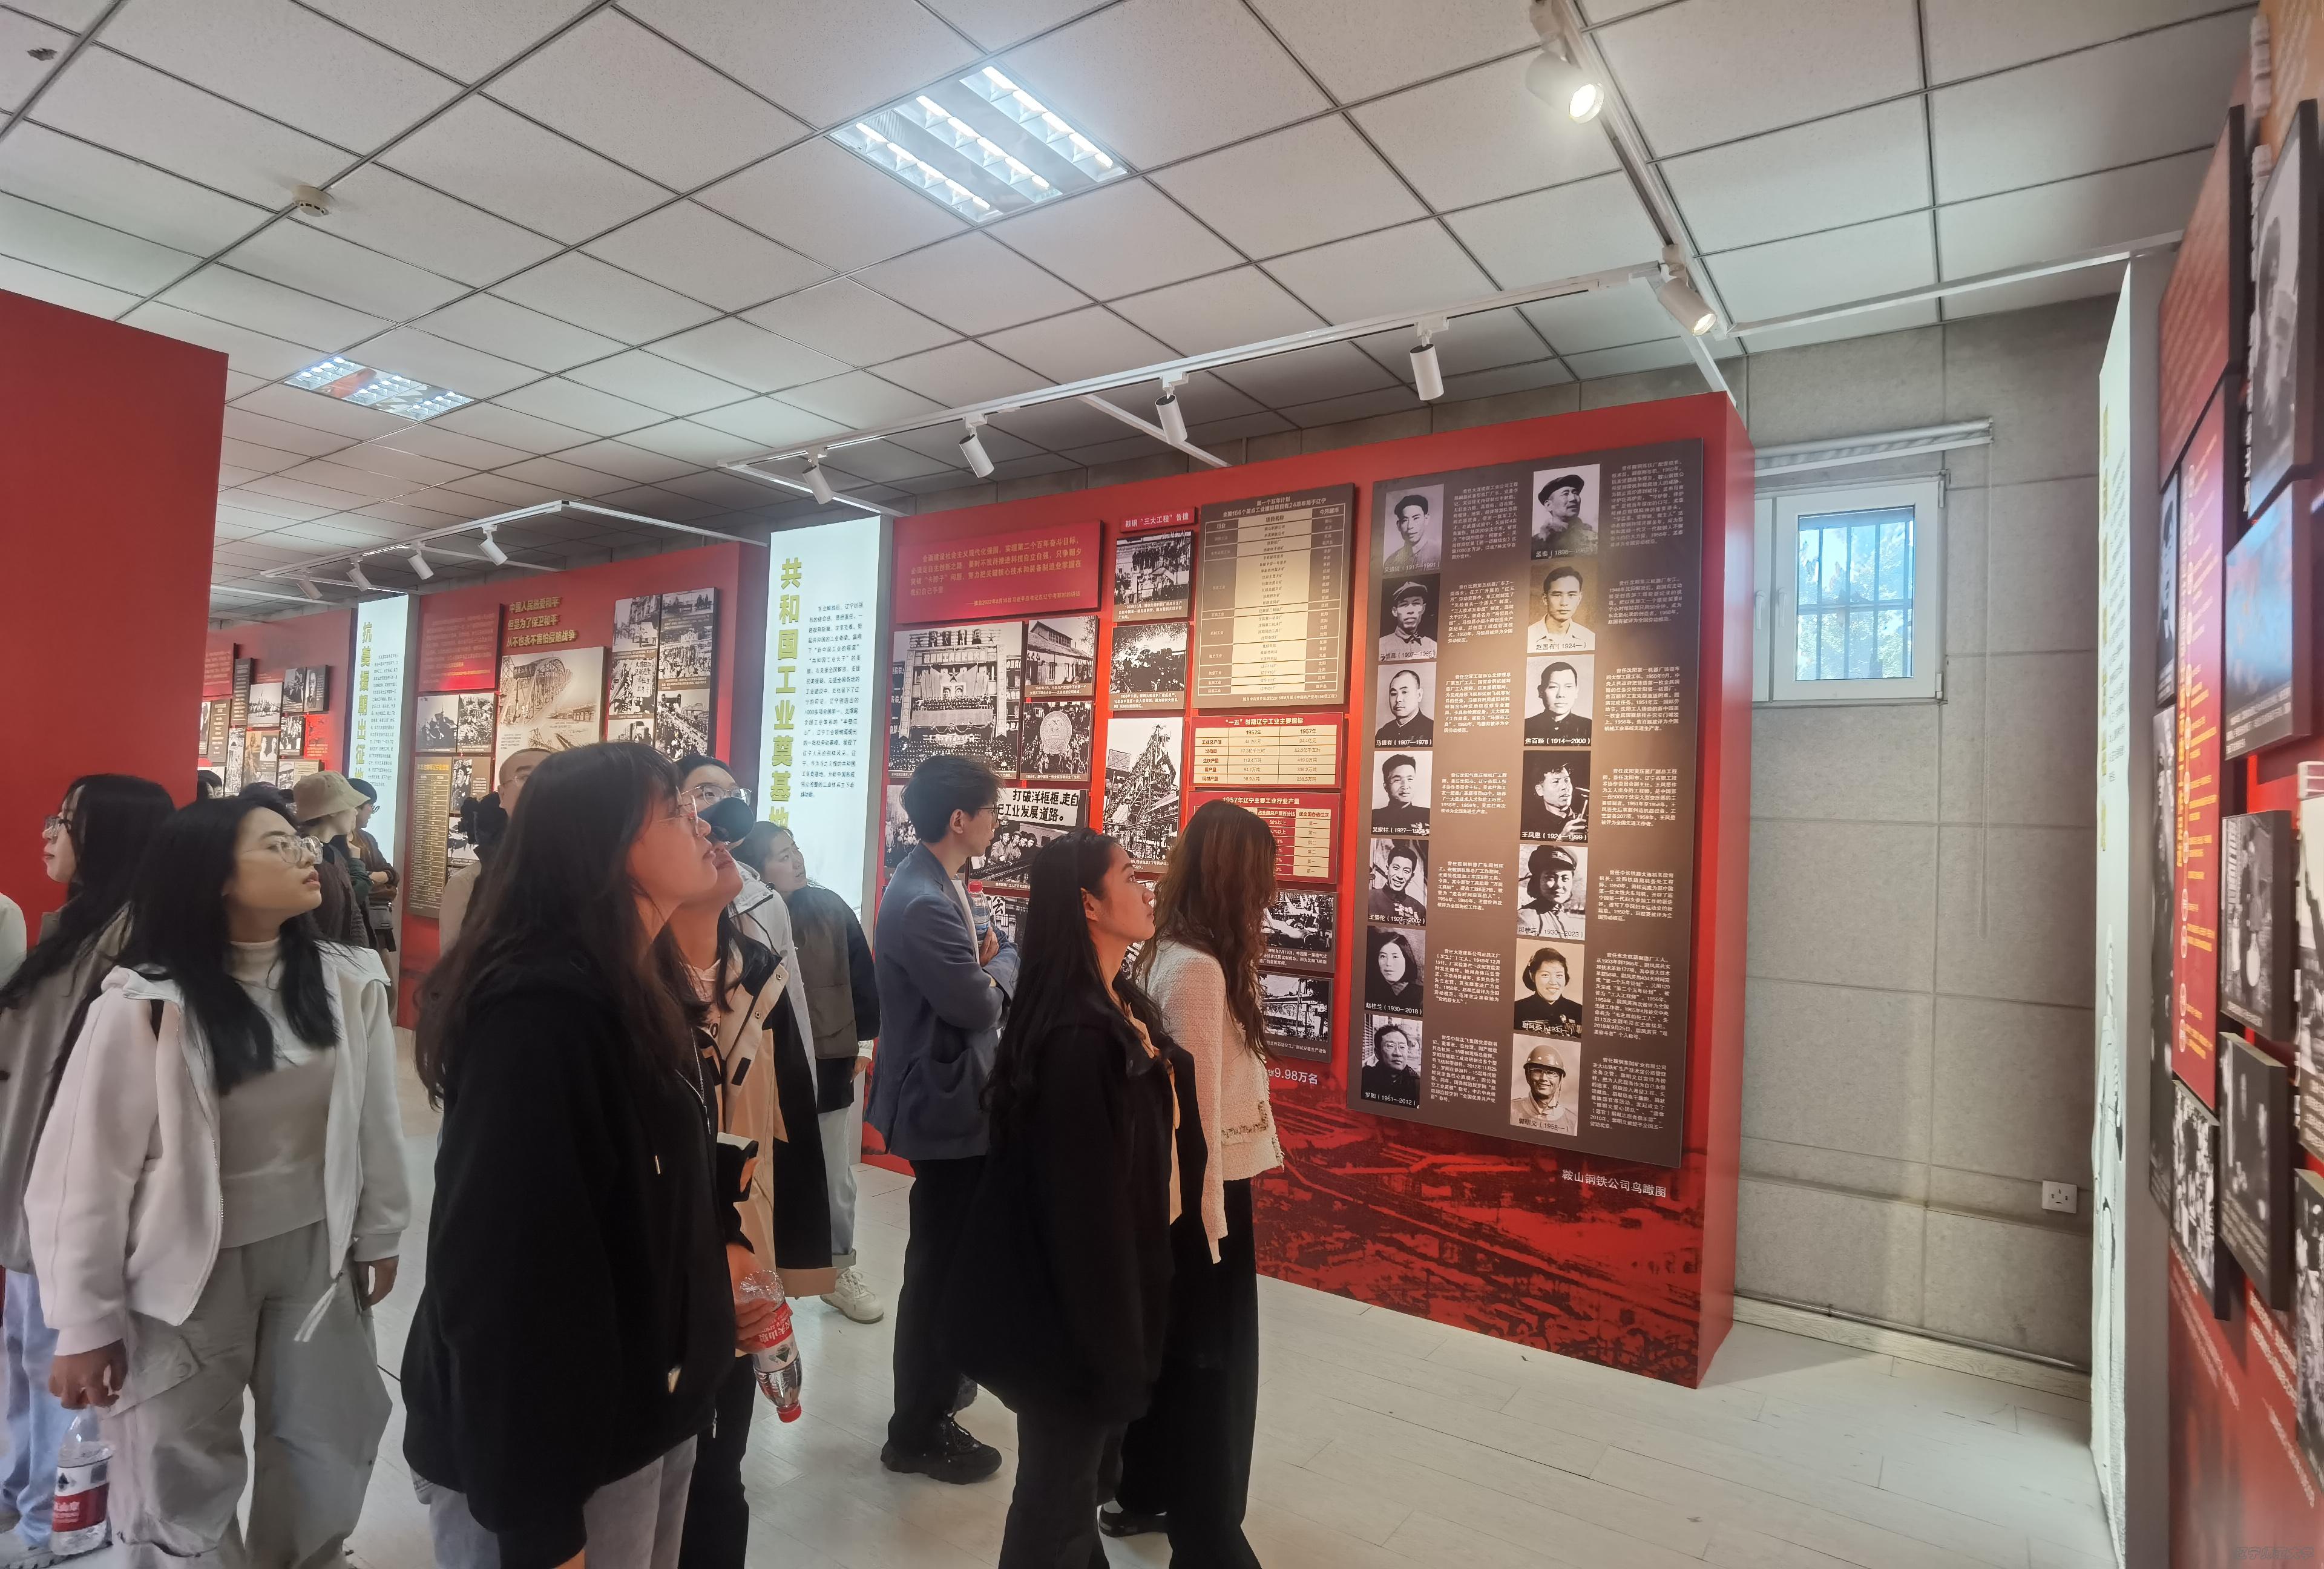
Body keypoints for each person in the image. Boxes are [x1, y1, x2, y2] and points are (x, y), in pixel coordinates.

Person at [28, 794, 407, 1568]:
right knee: (176, 1454)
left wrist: (380, 1228)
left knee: (326, 1436)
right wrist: (84, 1321)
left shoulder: (345, 980)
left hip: (314, 1254)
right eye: (277, 846)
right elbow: (85, 1170)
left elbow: (374, 1118)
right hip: (183, 1272)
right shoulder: (146, 1000)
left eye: (300, 842)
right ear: (215, 876)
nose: (306, 857)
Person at [402, 743, 735, 1567]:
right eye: (676, 811)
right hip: (555, 1453)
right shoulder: (540, 1019)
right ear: (609, 845)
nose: (703, 824)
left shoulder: (637, 984)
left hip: (643, 1409)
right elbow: (505, 1275)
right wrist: (541, 1522)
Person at [944, 830, 1201, 1569]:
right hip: (1073, 1313)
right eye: (1129, 875)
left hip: (1104, 1294)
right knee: (1057, 1498)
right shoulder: (1079, 1036)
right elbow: (1079, 1210)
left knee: (1075, 1487)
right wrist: (1110, 1335)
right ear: (1089, 903)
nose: (1147, 887)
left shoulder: (1115, 1005)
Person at [0, 775, 172, 1563]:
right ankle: (19, 1493)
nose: (48, 833)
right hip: (29, 1173)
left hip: (65, 1185)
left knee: (55, 1358)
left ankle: (52, 1525)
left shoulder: (131, 944)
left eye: (65, 821)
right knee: (23, 1347)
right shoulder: (74, 926)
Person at [1109, 801, 1285, 1562]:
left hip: (1190, 1196)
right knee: (1211, 1370)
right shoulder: (1198, 969)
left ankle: (1146, 1491)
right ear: (1235, 877)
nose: (1270, 892)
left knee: (1180, 1357)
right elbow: (1196, 1122)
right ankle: (1205, 1531)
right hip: (1204, 1200)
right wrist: (1208, 1229)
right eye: (1262, 875)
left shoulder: (1177, 951)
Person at [666, 828, 832, 1569]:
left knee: (719, 1472)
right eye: (677, 814)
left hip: (744, 1258)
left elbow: (788, 1121)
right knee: (658, 1476)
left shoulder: (756, 969)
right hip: (665, 1276)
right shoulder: (618, 989)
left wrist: (789, 1264)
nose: (708, 830)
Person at [867, 755, 1020, 1483]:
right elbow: (977, 1004)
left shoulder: (937, 882)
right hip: (944, 1101)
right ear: (960, 819)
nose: (996, 823)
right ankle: (918, 1428)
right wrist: (1003, 962)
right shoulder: (923, 900)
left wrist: (986, 964)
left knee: (949, 1262)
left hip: (955, 1095)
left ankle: (936, 1405)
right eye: (990, 811)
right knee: (937, 1269)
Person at [746, 821, 886, 1327]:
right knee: (756, 1174)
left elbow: (864, 981)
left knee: (834, 1176)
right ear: (757, 869)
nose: (797, 861)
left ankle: (839, 1269)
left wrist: (863, 1043)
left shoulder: (829, 908)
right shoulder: (741, 916)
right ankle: (760, 1277)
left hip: (827, 1063)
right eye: (782, 856)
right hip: (759, 1067)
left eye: (796, 850)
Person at [686, 758, 816, 1084]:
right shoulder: (661, 901)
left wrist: (802, 1089)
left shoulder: (764, 901)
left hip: (755, 1081)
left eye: (734, 794)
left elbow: (791, 1006)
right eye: (708, 793)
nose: (726, 805)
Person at [435, 747, 546, 946]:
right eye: (526, 778)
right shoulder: (470, 883)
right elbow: (456, 958)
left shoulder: (590, 869)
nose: (542, 786)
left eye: (554, 776)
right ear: (502, 795)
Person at [292, 772, 375, 951]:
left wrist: (358, 958)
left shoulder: (334, 854)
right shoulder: (300, 856)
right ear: (333, 811)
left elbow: (353, 914)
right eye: (351, 805)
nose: (355, 812)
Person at [344, 778, 398, 956]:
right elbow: (350, 890)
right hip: (349, 930)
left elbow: (392, 874)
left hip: (376, 928)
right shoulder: (332, 844)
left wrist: (370, 878)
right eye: (371, 807)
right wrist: (377, 882)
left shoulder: (367, 839)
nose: (371, 813)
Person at [1517, 844, 1584, 939]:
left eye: (1565, 879)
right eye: (1550, 878)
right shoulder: (1526, 918)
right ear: (1538, 881)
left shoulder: (1565, 918)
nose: (1559, 885)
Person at [1515, 945, 1583, 1038]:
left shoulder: (1579, 1011)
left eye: (1559, 975)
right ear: (1533, 977)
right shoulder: (1517, 1010)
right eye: (1545, 975)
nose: (1553, 982)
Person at [1510, 1042, 1576, 1133]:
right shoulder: (1511, 1110)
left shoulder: (1572, 1122)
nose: (1544, 1078)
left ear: (1560, 1079)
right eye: (1537, 1071)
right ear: (1528, 1075)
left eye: (1551, 1073)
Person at [1523, 754, 1589, 842]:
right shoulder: (1529, 827)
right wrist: (1561, 840)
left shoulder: (1587, 820)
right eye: (1556, 782)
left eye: (1567, 780)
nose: (1565, 787)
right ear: (1540, 790)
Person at [1524, 660, 1591, 745]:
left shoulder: (1589, 727)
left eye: (1568, 687)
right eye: (1553, 687)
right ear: (1541, 691)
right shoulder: (1526, 726)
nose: (1561, 695)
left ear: (1576, 691)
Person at [1528, 565, 1595, 651]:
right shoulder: (1528, 636)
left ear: (1579, 598)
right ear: (1545, 599)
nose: (1564, 603)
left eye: (1571, 595)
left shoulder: (1590, 638)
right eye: (1557, 595)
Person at [1532, 473, 1594, 556]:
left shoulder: (1593, 539)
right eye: (1565, 494)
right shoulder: (1535, 544)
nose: (1573, 499)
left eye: (1576, 493)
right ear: (1549, 505)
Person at [1361, 1022, 1419, 1106]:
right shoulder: (1364, 1078)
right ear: (1377, 1053)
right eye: (1390, 1046)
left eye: (1402, 1047)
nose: (1398, 1053)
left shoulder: (1417, 1085)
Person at [1368, 840, 1426, 924]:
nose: (1400, 876)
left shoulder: (1420, 910)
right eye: (1396, 868)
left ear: (1411, 876)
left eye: (1406, 871)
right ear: (1387, 869)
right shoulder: (1369, 898)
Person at [1367, 927, 1423, 1013]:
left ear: (1407, 959)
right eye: (1383, 956)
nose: (1388, 963)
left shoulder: (1422, 996)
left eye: (1395, 957)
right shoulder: (1371, 991)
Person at [1377, 580, 1436, 661]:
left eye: (1416, 604)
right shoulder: (1382, 646)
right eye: (1404, 605)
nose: (1410, 611)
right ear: (1395, 611)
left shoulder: (1433, 646)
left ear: (1423, 608)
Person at [1374, 666, 1433, 746]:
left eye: (1405, 692)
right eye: (1394, 694)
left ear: (1419, 695)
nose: (1398, 699)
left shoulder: (1431, 730)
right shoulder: (1383, 732)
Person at [1373, 754, 1429, 834]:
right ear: (1386, 787)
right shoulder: (1374, 817)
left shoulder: (1428, 815)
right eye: (1397, 780)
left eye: (1410, 779)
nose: (1405, 786)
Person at [1382, 494, 1436, 573]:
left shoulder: (1439, 553)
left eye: (1416, 518)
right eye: (1405, 521)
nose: (1410, 526)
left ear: (1426, 519)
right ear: (1399, 525)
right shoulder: (1390, 562)